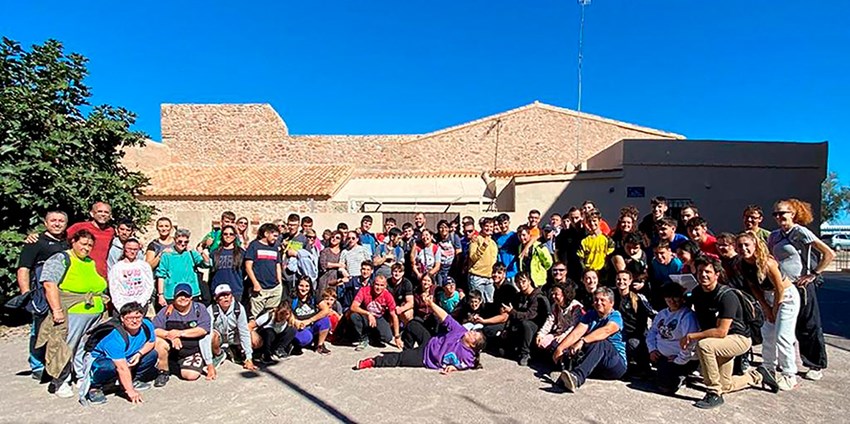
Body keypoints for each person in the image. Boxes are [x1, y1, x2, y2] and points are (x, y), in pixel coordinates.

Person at [684, 256, 779, 409]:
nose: (703, 275)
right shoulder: (697, 292)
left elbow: (721, 331)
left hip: (737, 339)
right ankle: (759, 375)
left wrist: (691, 336)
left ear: (717, 274)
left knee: (704, 345)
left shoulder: (727, 296)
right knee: (725, 385)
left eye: (708, 272)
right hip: (719, 342)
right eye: (700, 271)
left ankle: (713, 393)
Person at [768, 198, 834, 381]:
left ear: (793, 214)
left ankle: (815, 364)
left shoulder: (800, 232)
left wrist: (814, 274)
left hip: (801, 286)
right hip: (783, 286)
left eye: (782, 213)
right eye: (775, 214)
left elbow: (829, 253)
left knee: (808, 325)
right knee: (784, 325)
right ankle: (787, 361)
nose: (779, 217)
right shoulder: (774, 236)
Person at [37, 230, 108, 398]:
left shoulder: (89, 262)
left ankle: (81, 375)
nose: (86, 248)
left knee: (84, 346)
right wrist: (56, 310)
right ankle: (61, 380)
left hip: (93, 312)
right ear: (73, 242)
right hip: (72, 311)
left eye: (90, 245)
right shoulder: (61, 258)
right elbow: (49, 284)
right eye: (83, 244)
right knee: (65, 346)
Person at [353, 291, 485, 373]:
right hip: (431, 341)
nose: (471, 332)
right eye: (474, 332)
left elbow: (471, 364)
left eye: (474, 335)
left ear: (472, 345)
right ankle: (408, 349)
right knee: (412, 324)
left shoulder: (467, 356)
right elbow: (445, 317)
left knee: (399, 359)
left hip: (426, 357)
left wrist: (455, 368)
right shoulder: (461, 331)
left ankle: (372, 362)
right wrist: (431, 304)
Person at [736, 232, 800, 390]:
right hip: (768, 297)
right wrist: (766, 308)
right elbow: (754, 287)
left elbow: (779, 288)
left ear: (755, 245)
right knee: (767, 333)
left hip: (786, 297)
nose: (744, 249)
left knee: (782, 336)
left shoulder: (768, 263)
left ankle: (789, 374)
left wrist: (775, 310)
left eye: (747, 245)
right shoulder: (742, 264)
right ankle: (768, 367)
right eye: (740, 246)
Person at [16, 210, 69, 379]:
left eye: (61, 221)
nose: (57, 224)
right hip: (41, 293)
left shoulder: (67, 242)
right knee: (39, 329)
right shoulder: (35, 242)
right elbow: (23, 269)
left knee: (59, 330)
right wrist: (26, 294)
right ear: (45, 223)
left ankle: (54, 363)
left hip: (63, 293)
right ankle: (37, 365)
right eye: (53, 220)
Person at [78, 302, 157, 405]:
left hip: (127, 356)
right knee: (108, 366)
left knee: (152, 355)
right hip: (102, 360)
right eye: (129, 318)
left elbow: (151, 342)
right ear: (122, 319)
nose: (134, 321)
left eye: (138, 317)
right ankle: (95, 387)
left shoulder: (147, 324)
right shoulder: (114, 337)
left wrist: (139, 354)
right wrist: (131, 392)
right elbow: (121, 367)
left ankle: (133, 379)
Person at [550, 287, 628, 393]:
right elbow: (577, 333)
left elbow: (606, 330)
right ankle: (566, 374)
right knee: (567, 347)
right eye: (596, 300)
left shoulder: (615, 316)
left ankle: (577, 378)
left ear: (611, 303)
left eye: (602, 300)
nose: (598, 303)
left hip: (615, 365)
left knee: (600, 343)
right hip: (596, 364)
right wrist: (560, 349)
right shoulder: (590, 315)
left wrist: (582, 341)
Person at [152, 284, 211, 387]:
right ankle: (163, 372)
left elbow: (203, 330)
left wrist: (179, 333)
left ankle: (179, 365)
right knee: (158, 342)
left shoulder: (199, 309)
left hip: (192, 350)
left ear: (191, 297)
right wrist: (170, 335)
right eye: (179, 295)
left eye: (186, 295)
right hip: (172, 348)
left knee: (191, 375)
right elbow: (154, 329)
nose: (183, 298)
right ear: (174, 297)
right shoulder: (166, 311)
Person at [646, 283, 700, 394]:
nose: (672, 301)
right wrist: (652, 349)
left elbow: (690, 343)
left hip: (678, 358)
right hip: (660, 354)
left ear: (682, 298)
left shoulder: (687, 316)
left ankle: (682, 374)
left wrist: (679, 359)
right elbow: (652, 332)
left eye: (675, 298)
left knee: (666, 388)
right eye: (669, 298)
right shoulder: (662, 314)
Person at [201, 285, 258, 381]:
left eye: (227, 295)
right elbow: (206, 336)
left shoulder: (239, 308)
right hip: (219, 337)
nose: (225, 298)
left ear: (232, 296)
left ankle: (236, 350)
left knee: (255, 339)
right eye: (221, 296)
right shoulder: (210, 310)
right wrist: (209, 364)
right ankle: (219, 354)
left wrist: (249, 357)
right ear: (216, 299)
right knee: (211, 336)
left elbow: (244, 332)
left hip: (233, 335)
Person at [613, 270, 655, 374]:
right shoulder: (612, 296)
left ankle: (645, 369)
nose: (621, 282)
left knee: (633, 343)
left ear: (630, 281)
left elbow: (652, 313)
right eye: (618, 279)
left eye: (624, 279)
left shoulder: (637, 298)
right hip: (618, 333)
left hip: (636, 334)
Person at [155, 228, 210, 306]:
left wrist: (201, 253)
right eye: (180, 241)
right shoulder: (167, 255)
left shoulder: (191, 253)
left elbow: (206, 264)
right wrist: (161, 295)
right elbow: (161, 276)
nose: (183, 244)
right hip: (172, 294)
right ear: (175, 240)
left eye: (186, 242)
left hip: (191, 293)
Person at [505, 273, 549, 365]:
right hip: (519, 324)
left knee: (526, 324)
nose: (521, 284)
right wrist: (506, 328)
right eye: (518, 282)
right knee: (503, 351)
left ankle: (525, 353)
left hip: (536, 325)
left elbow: (530, 315)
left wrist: (512, 312)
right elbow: (511, 315)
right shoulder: (518, 296)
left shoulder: (538, 297)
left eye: (523, 281)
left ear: (529, 281)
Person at [349, 275, 403, 351]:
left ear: (385, 286)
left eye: (382, 285)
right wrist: (368, 314)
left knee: (387, 338)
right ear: (373, 284)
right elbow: (353, 307)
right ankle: (363, 338)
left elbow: (394, 316)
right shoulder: (364, 290)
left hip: (379, 317)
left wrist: (397, 336)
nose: (378, 288)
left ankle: (372, 336)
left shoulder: (388, 296)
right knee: (354, 316)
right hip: (365, 316)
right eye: (377, 284)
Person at [64, 201, 116, 278]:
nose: (103, 214)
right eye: (100, 211)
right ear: (92, 213)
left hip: (100, 273)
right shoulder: (79, 227)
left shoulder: (111, 231)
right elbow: (63, 242)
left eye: (106, 212)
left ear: (110, 216)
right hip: (79, 271)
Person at [244, 223, 284, 319]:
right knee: (256, 317)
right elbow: (248, 266)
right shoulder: (254, 245)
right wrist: (255, 283)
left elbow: (277, 265)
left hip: (274, 288)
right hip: (260, 288)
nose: (276, 239)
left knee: (271, 316)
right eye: (274, 236)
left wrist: (280, 283)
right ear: (266, 234)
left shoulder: (275, 247)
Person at [108, 238, 155, 312]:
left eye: (135, 249)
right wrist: (120, 306)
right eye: (129, 249)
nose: (132, 252)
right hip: (122, 305)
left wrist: (142, 303)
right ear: (124, 249)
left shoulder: (144, 266)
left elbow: (149, 286)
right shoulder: (116, 267)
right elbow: (114, 288)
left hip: (140, 305)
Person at [536, 282, 583, 354]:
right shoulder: (555, 306)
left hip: (571, 335)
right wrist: (541, 334)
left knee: (557, 345)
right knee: (542, 342)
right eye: (553, 294)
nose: (553, 296)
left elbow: (574, 325)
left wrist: (564, 336)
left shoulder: (576, 307)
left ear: (565, 294)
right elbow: (550, 321)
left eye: (556, 294)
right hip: (559, 332)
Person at [289, 277, 333, 354]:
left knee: (325, 320)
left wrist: (309, 320)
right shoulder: (292, 297)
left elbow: (326, 309)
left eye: (307, 286)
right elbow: (287, 312)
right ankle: (297, 344)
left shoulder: (314, 295)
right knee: (305, 339)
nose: (304, 289)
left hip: (312, 323)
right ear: (297, 286)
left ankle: (320, 345)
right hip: (299, 326)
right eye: (301, 286)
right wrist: (296, 322)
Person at [209, 224, 244, 301]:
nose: (228, 236)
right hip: (218, 290)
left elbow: (244, 271)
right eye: (225, 234)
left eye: (231, 234)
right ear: (222, 236)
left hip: (235, 290)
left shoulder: (241, 253)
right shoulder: (215, 253)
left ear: (235, 236)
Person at [467, 217, 498, 303]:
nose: (489, 228)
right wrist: (483, 246)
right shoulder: (476, 240)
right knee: (477, 302)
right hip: (477, 276)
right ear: (482, 226)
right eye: (486, 226)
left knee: (490, 303)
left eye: (491, 226)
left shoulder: (493, 243)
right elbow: (473, 257)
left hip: (489, 277)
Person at [554, 207, 587, 282]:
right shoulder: (564, 235)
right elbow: (559, 253)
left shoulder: (586, 233)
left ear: (582, 217)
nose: (574, 221)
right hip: (570, 270)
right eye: (572, 218)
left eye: (577, 218)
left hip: (587, 268)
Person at [318, 230, 348, 296]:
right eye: (332, 237)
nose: (334, 239)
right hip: (326, 278)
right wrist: (338, 265)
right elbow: (323, 264)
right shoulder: (325, 251)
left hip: (338, 280)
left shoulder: (343, 252)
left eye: (337, 238)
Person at [494, 214, 520, 284]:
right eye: (501, 224)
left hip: (513, 270)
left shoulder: (515, 236)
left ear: (509, 222)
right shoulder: (495, 237)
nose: (503, 226)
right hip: (501, 271)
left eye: (505, 223)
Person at [435, 220, 461, 287]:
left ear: (449, 228)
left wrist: (457, 267)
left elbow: (458, 253)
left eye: (446, 227)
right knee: (440, 287)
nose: (443, 229)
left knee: (451, 287)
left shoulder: (454, 237)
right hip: (440, 268)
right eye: (441, 227)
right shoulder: (436, 239)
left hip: (451, 268)